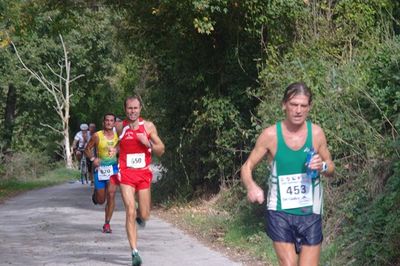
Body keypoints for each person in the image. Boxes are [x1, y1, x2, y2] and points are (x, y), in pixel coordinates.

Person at [240, 82, 335, 266]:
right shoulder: (270, 135)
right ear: (284, 105)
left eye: (303, 106)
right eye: (293, 105)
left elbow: (331, 167)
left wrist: (322, 166)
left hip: (311, 212)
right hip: (280, 211)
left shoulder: (316, 133)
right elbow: (247, 166)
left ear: (309, 107)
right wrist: (251, 186)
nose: (298, 110)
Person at [115, 95, 165, 266]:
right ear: (125, 109)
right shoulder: (119, 126)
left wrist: (149, 144)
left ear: (140, 109)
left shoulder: (148, 126)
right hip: (126, 174)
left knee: (144, 214)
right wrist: (110, 151)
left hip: (143, 175)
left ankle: (141, 216)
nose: (133, 111)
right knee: (130, 209)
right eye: (130, 108)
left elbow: (161, 150)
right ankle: (134, 252)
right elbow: (111, 142)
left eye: (135, 108)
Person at [84, 114, 119, 233]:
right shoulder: (97, 136)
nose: (109, 123)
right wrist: (94, 159)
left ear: (114, 123)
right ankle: (96, 195)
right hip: (100, 170)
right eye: (107, 120)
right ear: (103, 122)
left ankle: (107, 223)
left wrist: (117, 150)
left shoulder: (117, 135)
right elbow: (87, 149)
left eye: (111, 121)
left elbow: (122, 147)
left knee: (112, 194)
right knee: (100, 200)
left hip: (113, 168)